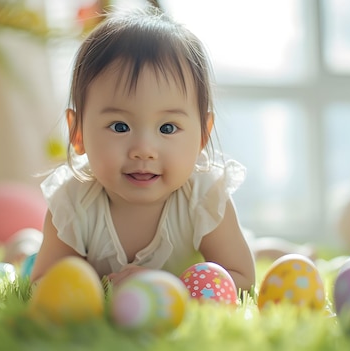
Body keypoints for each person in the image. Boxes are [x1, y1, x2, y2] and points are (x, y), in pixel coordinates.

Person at [30, 6, 310, 292]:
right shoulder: (73, 203)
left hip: (203, 257)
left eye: (167, 128)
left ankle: (292, 249)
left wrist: (164, 287)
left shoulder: (204, 198)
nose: (143, 150)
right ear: (77, 133)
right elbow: (42, 283)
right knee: (24, 247)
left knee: (256, 250)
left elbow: (241, 279)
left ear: (202, 134)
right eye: (119, 126)